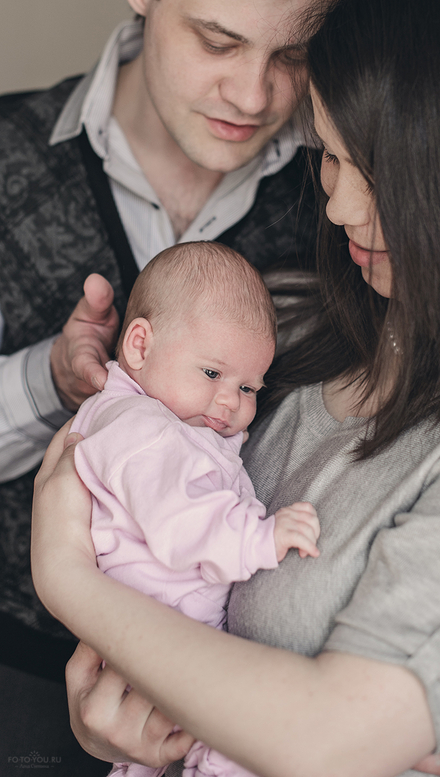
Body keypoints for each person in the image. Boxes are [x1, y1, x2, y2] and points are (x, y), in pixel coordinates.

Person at [30, 0, 440, 776]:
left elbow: (331, 739)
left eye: (378, 172)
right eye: (329, 156)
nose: (339, 208)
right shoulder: (283, 322)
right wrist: (116, 721)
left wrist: (68, 581)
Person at [0, 0, 339, 771]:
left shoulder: (342, 198)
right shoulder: (7, 156)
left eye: (293, 54)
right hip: (17, 666)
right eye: (219, 42)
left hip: (239, 692)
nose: (253, 95)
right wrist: (51, 383)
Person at [72, 240, 320, 777]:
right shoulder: (139, 428)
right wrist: (259, 538)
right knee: (233, 729)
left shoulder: (167, 423)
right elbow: (177, 521)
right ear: (140, 346)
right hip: (156, 629)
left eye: (248, 386)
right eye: (212, 374)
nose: (231, 401)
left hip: (160, 633)